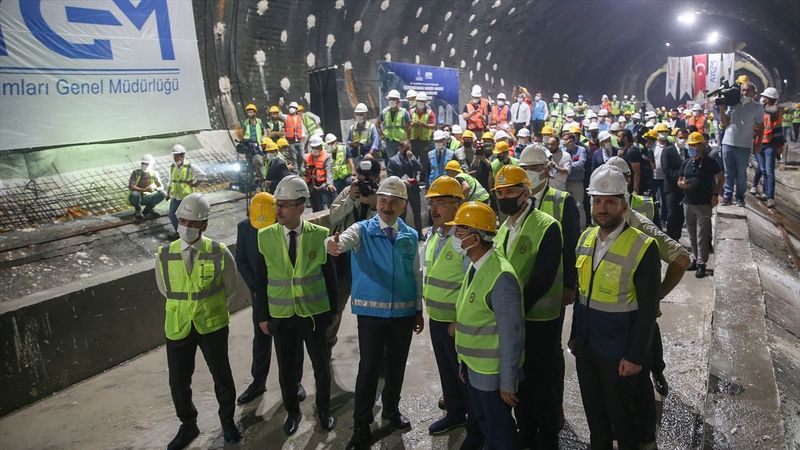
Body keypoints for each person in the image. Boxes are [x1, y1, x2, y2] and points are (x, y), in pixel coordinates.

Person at [327, 177, 424, 450]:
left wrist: (418, 310)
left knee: (396, 366)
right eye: (383, 200)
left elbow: (415, 275)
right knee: (368, 370)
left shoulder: (410, 236)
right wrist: (333, 244)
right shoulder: (362, 230)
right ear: (376, 202)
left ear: (404, 205)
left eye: (394, 202)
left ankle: (391, 410)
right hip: (371, 317)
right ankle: (361, 425)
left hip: (403, 314)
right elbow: (342, 240)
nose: (387, 206)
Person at [570, 166, 661, 450]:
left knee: (623, 421)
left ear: (624, 204)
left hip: (619, 354)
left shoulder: (643, 246)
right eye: (597, 200)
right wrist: (575, 339)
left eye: (610, 201)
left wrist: (635, 356)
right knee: (595, 419)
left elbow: (648, 311)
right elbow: (581, 296)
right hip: (587, 348)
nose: (602, 208)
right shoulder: (585, 239)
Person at [154, 193, 241, 449]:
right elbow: (164, 288)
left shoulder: (218, 251)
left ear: (204, 225)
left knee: (221, 375)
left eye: (194, 223)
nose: (187, 227)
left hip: (211, 324)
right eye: (183, 221)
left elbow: (230, 287)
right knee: (179, 381)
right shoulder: (164, 254)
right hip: (178, 325)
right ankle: (188, 425)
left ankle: (227, 422)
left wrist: (208, 307)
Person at [258, 176, 337, 435]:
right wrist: (262, 315)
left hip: (314, 315)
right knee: (287, 370)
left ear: (301, 207)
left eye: (285, 205)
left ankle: (323, 412)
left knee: (321, 367)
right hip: (281, 316)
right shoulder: (265, 237)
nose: (278, 210)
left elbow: (330, 278)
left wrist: (332, 313)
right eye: (277, 204)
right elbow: (260, 281)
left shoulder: (320, 235)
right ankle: (293, 412)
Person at [493, 165, 563, 448]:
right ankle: (526, 430)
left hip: (539, 321)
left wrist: (515, 310)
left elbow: (543, 278)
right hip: (514, 323)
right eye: (500, 192)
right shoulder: (502, 228)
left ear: (526, 191)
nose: (504, 197)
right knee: (519, 381)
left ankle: (547, 437)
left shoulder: (546, 225)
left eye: (510, 190)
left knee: (541, 384)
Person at [449, 201, 524, 450]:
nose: (455, 236)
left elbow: (512, 336)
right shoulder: (475, 266)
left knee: (499, 432)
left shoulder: (501, 277)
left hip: (492, 377)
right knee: (485, 424)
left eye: (460, 231)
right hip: (473, 369)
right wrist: (464, 364)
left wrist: (507, 382)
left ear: (476, 237)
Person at [519, 144, 581, 423]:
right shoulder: (517, 199)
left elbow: (571, 247)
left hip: (553, 292)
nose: (529, 174)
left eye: (533, 168)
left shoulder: (562, 200)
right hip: (522, 289)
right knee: (526, 352)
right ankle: (530, 409)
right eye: (524, 169)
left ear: (546, 169)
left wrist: (570, 284)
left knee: (550, 352)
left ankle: (554, 410)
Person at [421, 177, 482, 445]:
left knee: (467, 378)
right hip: (437, 318)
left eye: (442, 203)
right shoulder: (436, 234)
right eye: (433, 203)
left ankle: (476, 427)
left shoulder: (463, 237)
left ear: (458, 205)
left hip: (458, 323)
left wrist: (460, 319)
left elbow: (475, 282)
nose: (435, 209)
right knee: (448, 373)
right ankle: (456, 413)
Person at [326, 158, 381, 348]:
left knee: (372, 306)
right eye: (360, 178)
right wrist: (350, 199)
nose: (363, 183)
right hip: (344, 256)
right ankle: (328, 342)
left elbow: (390, 225)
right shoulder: (347, 192)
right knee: (336, 302)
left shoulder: (383, 195)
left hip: (371, 256)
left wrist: (375, 205)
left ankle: (376, 352)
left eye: (368, 179)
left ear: (376, 177)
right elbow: (333, 218)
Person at [679, 132, 723, 278]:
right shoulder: (686, 163)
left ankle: (702, 263)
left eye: (695, 145)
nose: (692, 148)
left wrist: (716, 194)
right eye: (690, 145)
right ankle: (694, 259)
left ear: (702, 146)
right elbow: (679, 180)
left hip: (703, 204)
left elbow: (721, 177)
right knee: (691, 235)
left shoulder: (710, 162)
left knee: (702, 236)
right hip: (688, 203)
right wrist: (681, 184)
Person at [719, 82, 765, 207]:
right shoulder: (733, 104)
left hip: (744, 145)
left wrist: (758, 143)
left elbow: (761, 127)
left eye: (748, 90)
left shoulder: (757, 107)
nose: (744, 93)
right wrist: (722, 109)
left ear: (754, 93)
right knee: (728, 173)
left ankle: (740, 197)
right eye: (743, 90)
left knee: (741, 173)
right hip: (728, 143)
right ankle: (727, 197)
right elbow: (724, 124)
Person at [752, 87, 784, 208]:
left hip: (769, 145)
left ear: (770, 99)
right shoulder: (759, 111)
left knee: (769, 172)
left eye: (765, 97)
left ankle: (770, 197)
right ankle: (764, 192)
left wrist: (779, 147)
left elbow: (778, 131)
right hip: (758, 144)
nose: (762, 98)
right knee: (763, 169)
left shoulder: (775, 113)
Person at [166, 144, 204, 238]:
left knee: (187, 217)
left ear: (182, 155)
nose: (175, 158)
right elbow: (170, 181)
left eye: (177, 155)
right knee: (172, 215)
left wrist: (195, 184)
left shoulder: (189, 166)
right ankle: (179, 233)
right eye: (174, 155)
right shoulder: (172, 167)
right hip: (176, 196)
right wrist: (168, 193)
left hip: (186, 197)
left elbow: (202, 175)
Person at [388, 140, 424, 236]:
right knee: (401, 214)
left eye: (409, 148)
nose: (408, 150)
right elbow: (390, 176)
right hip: (401, 191)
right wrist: (402, 181)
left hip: (413, 190)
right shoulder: (393, 160)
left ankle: (419, 234)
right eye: (406, 148)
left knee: (417, 213)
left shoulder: (411, 157)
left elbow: (420, 168)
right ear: (400, 148)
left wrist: (413, 158)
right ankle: (402, 234)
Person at [661, 129, 687, 241]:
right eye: (681, 137)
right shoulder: (668, 151)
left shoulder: (687, 151)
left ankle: (677, 236)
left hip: (684, 189)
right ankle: (671, 239)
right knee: (671, 214)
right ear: (676, 137)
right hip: (671, 188)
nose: (683, 140)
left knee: (681, 215)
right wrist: (680, 177)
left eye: (685, 137)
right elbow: (666, 169)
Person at [377, 90, 412, 163]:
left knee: (403, 161)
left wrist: (407, 140)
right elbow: (377, 124)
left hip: (401, 142)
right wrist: (381, 135)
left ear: (398, 101)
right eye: (390, 99)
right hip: (389, 142)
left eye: (393, 99)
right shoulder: (384, 112)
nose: (391, 101)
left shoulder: (404, 112)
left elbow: (409, 127)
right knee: (393, 162)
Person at [563, 128, 588, 229]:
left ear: (572, 141)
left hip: (577, 183)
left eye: (567, 140)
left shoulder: (581, 150)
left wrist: (567, 166)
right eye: (564, 140)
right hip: (566, 182)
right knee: (567, 206)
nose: (565, 142)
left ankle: (582, 228)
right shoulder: (563, 151)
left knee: (579, 205)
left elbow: (581, 164)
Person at [304, 135, 336, 212]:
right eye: (313, 148)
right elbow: (302, 171)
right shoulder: (306, 157)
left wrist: (329, 184)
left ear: (321, 146)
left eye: (317, 147)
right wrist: (304, 170)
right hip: (311, 186)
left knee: (325, 206)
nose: (315, 149)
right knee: (315, 208)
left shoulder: (327, 156)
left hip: (323, 185)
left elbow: (329, 171)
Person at [128, 154, 165, 220]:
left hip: (147, 197)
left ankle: (148, 209)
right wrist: (144, 190)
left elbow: (161, 187)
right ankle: (138, 210)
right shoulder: (136, 173)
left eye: (146, 164)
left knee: (163, 194)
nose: (144, 165)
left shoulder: (154, 173)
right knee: (135, 194)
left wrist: (154, 188)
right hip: (136, 198)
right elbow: (131, 186)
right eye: (143, 163)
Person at [409, 92, 437, 178]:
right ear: (416, 101)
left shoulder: (429, 112)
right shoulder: (411, 111)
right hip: (413, 140)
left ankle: (423, 178)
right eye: (419, 101)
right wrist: (412, 124)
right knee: (412, 159)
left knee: (424, 161)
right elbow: (406, 123)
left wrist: (425, 125)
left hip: (425, 141)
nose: (420, 103)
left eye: (422, 101)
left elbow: (434, 125)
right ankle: (413, 177)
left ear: (425, 102)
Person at [284, 102, 306, 171]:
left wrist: (303, 138)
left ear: (296, 109)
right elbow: (279, 114)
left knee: (302, 156)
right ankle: (296, 171)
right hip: (291, 141)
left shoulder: (299, 118)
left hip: (300, 140)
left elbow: (302, 128)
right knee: (294, 157)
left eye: (293, 107)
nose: (291, 109)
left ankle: (301, 168)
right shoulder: (286, 117)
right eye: (290, 107)